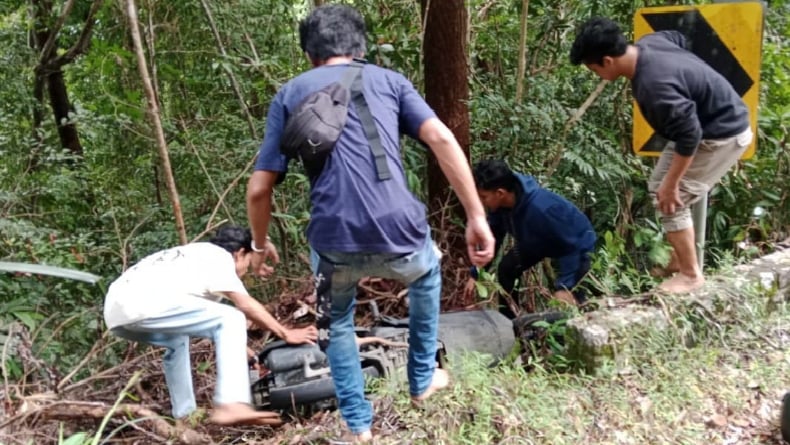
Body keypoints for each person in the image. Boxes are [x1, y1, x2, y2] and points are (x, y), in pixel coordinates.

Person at [245, 4, 494, 442]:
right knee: (426, 272)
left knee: (336, 323)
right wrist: (476, 215)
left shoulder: (290, 93)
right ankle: (421, 382)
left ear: (309, 54)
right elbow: (440, 137)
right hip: (401, 231)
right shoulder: (391, 82)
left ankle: (359, 426)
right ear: (360, 47)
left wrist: (261, 243)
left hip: (333, 239)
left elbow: (259, 190)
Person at [570, 17, 753, 294]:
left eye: (592, 67)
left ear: (607, 61)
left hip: (721, 135)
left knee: (671, 198)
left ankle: (691, 275)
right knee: (659, 187)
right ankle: (678, 258)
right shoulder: (651, 43)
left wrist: (672, 184)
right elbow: (679, 37)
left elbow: (690, 135)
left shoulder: (655, 86)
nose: (595, 73)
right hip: (704, 126)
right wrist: (695, 79)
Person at [103, 225, 317, 426]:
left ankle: (185, 416)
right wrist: (286, 333)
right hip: (141, 302)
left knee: (177, 342)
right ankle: (231, 404)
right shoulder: (218, 257)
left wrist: (249, 355)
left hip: (117, 312)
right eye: (247, 262)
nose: (246, 271)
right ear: (239, 253)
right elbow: (244, 304)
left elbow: (210, 326)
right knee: (232, 317)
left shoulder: (196, 260)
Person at [467, 160, 596, 318]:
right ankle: (511, 325)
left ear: (500, 193)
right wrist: (476, 273)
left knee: (566, 303)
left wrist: (565, 286)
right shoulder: (500, 207)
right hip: (536, 242)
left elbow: (574, 246)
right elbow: (493, 237)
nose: (481, 202)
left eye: (483, 197)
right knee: (507, 269)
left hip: (575, 243)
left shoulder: (544, 209)